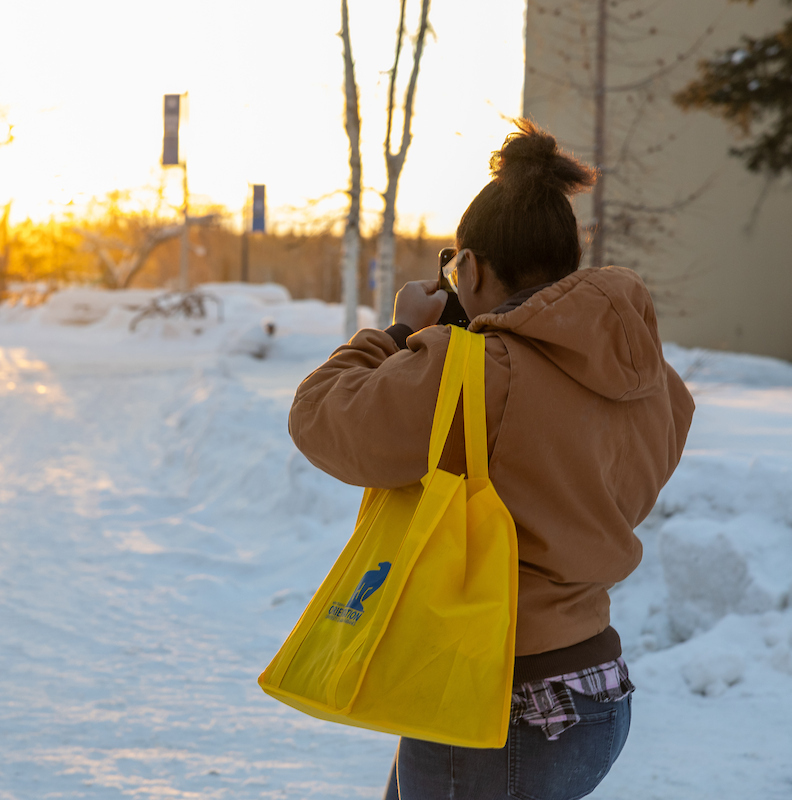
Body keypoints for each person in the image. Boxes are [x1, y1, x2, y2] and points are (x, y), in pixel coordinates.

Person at [287, 119, 695, 800]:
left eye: (455, 266)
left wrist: (399, 333)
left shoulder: (475, 371)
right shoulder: (653, 379)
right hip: (597, 690)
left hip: (497, 697)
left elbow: (322, 418)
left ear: (469, 267)